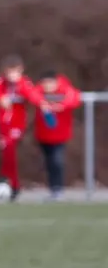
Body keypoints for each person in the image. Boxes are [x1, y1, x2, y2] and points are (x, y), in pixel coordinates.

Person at [0, 55, 46, 202]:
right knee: (6, 152)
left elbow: (32, 94)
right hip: (3, 125)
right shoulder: (0, 82)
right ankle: (10, 183)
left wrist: (42, 103)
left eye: (15, 72)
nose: (12, 76)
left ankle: (8, 181)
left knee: (10, 149)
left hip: (17, 124)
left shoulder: (24, 83)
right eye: (9, 73)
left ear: (21, 71)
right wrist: (0, 97)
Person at [32, 70, 82, 200]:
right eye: (45, 83)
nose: (47, 86)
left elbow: (75, 98)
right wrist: (42, 103)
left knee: (57, 161)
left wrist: (61, 106)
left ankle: (58, 189)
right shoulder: (38, 91)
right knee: (49, 162)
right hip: (43, 135)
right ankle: (53, 189)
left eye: (50, 83)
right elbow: (32, 94)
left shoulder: (66, 89)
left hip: (60, 136)